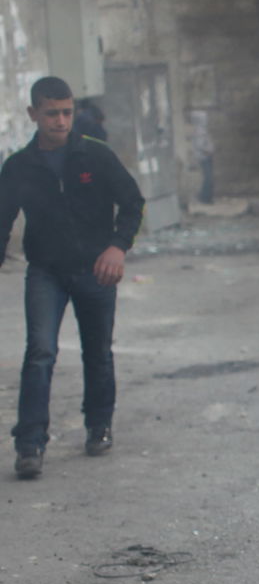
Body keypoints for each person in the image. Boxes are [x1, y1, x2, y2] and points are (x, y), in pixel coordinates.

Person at [0, 76, 144, 479]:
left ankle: (99, 426)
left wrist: (117, 247)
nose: (61, 121)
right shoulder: (19, 167)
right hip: (46, 272)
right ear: (33, 114)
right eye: (51, 114)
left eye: (66, 112)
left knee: (97, 352)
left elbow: (132, 202)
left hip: (96, 270)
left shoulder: (95, 156)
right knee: (40, 352)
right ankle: (30, 444)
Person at [189, 110, 215, 204]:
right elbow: (199, 146)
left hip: (207, 157)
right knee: (208, 178)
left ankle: (207, 198)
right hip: (204, 158)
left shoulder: (202, 130)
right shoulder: (199, 131)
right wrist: (208, 151)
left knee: (209, 178)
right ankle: (205, 198)